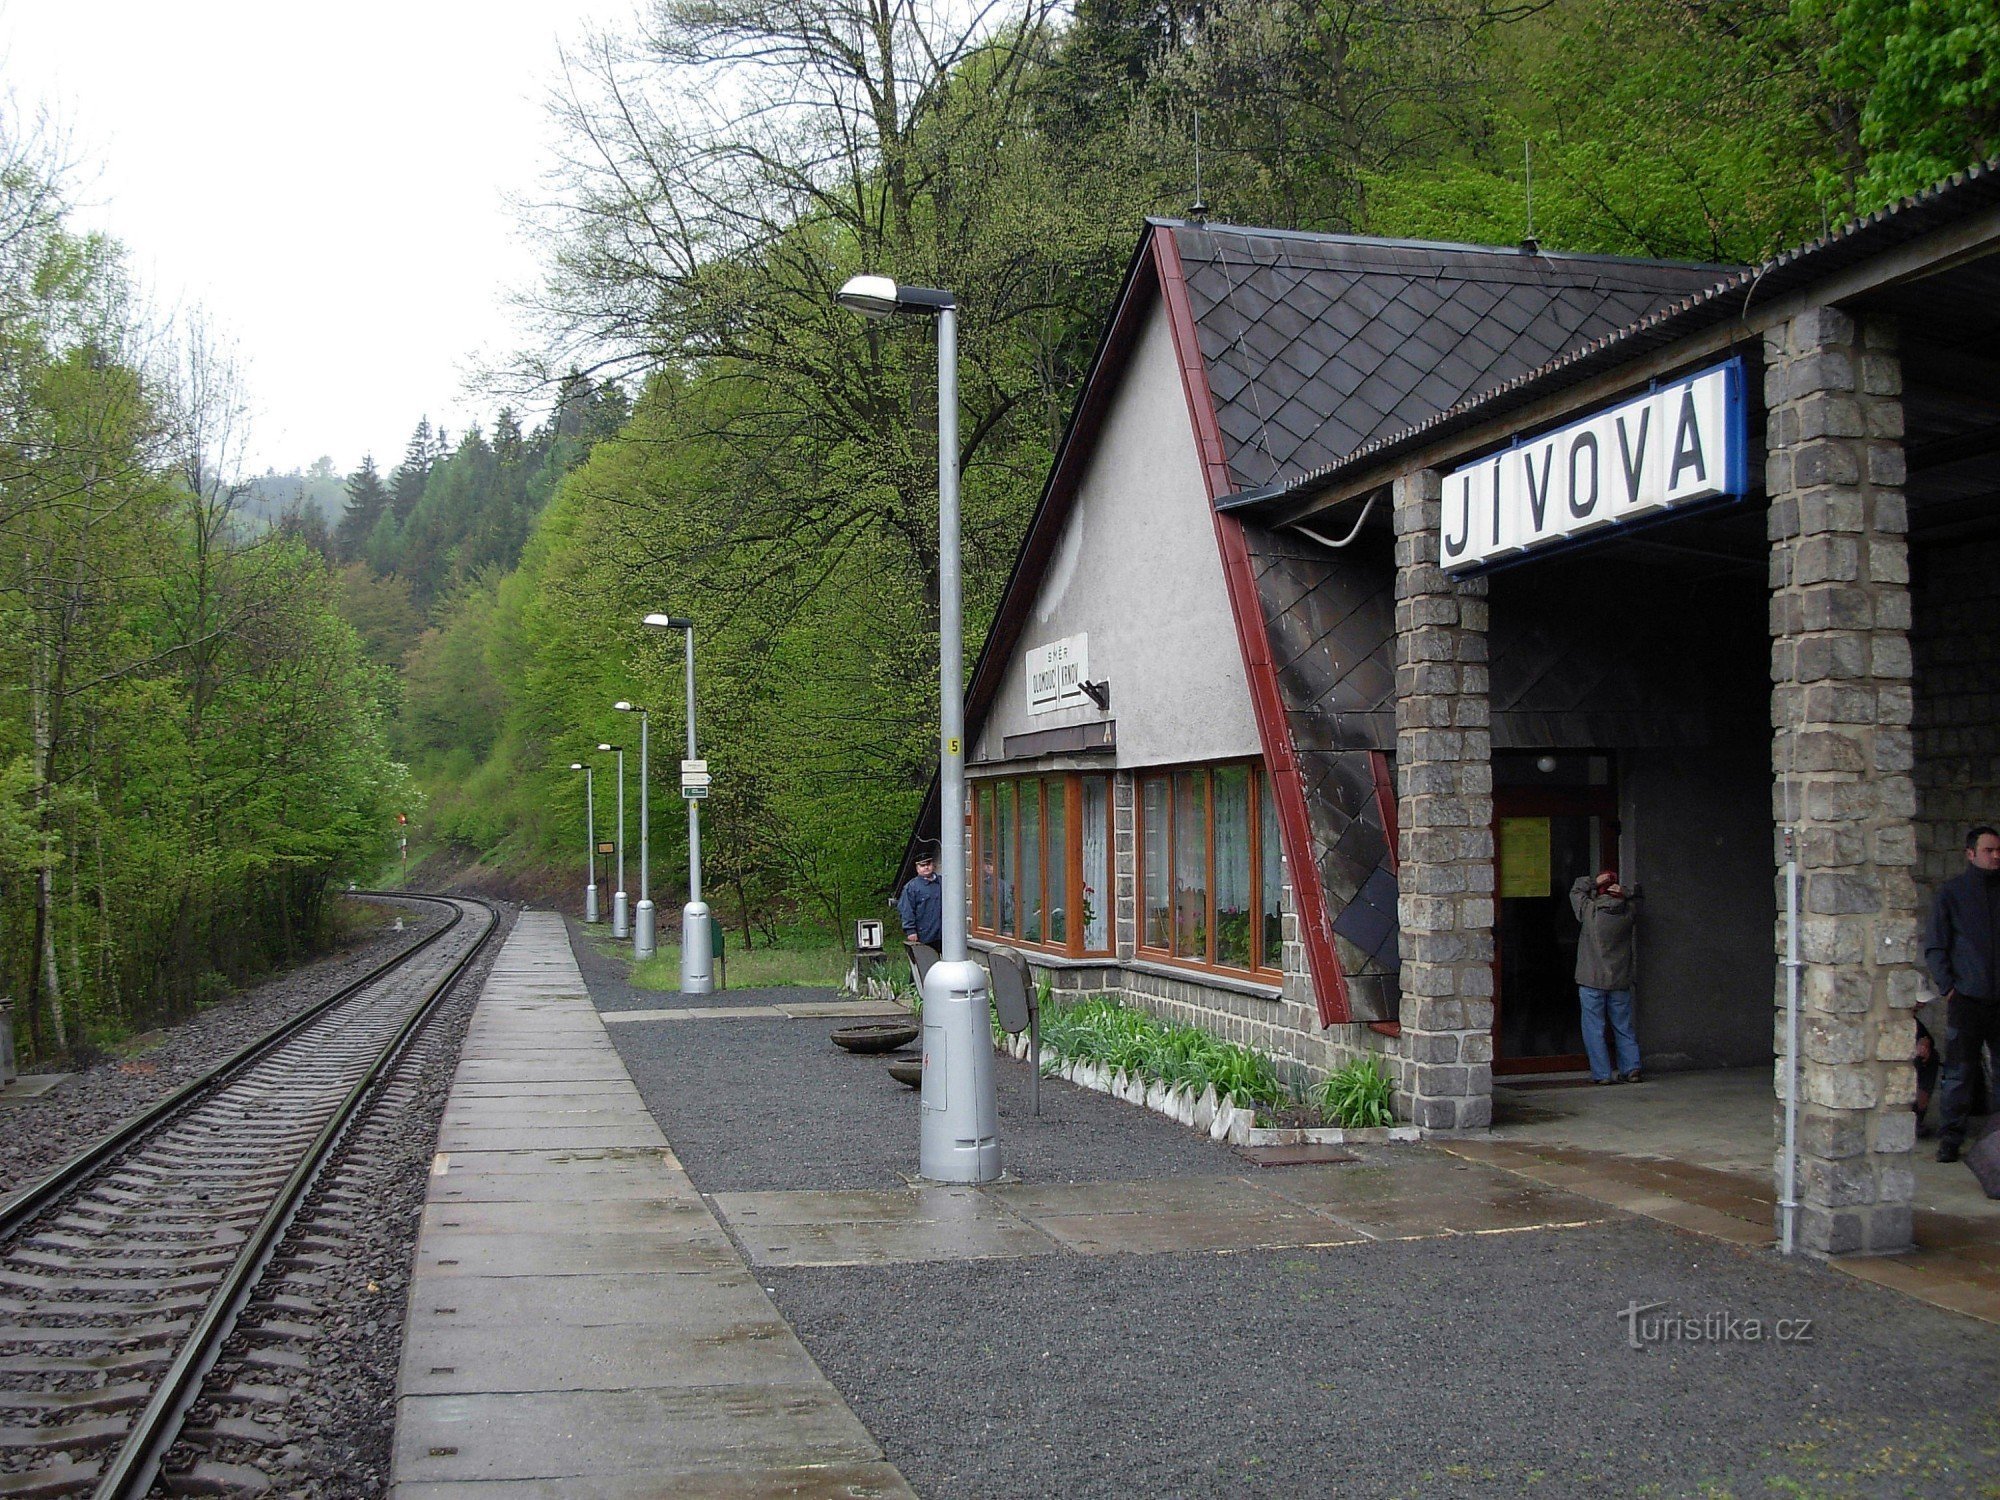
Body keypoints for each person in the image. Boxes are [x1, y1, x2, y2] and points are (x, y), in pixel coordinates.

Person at [1923, 825, 2000, 1165]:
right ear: (1971, 854)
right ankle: (1950, 1139)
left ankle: (1996, 1140)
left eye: (1998, 850)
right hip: (1967, 998)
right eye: (1988, 850)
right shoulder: (1952, 893)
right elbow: (1936, 945)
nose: (1995, 855)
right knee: (1959, 1073)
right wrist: (1949, 987)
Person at [1571, 868, 1643, 1084]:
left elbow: (1576, 890)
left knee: (1594, 1028)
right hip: (1620, 980)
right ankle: (1631, 1068)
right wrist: (1625, 892)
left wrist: (1594, 882)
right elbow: (1639, 895)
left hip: (1591, 980)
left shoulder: (1590, 911)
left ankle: (1602, 1074)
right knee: (1623, 1026)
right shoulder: (1628, 912)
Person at [897, 841, 944, 950]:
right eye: (922, 865)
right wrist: (910, 931)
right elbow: (906, 910)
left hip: (945, 935)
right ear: (917, 868)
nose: (926, 867)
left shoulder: (943, 883)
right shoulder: (911, 887)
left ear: (933, 864)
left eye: (928, 864)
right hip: (924, 936)